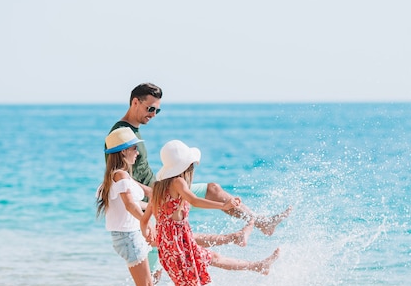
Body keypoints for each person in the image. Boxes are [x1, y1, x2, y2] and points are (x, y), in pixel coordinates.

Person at [97, 128, 255, 286]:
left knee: (191, 263)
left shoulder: (128, 179)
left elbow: (147, 203)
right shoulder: (123, 176)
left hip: (145, 239)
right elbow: (132, 205)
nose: (137, 152)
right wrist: (223, 204)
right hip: (133, 239)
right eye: (133, 148)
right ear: (122, 152)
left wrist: (147, 224)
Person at [140, 140, 280, 286]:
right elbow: (194, 200)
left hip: (170, 248)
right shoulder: (178, 182)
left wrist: (146, 231)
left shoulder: (158, 188)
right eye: (192, 166)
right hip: (179, 248)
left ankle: (257, 266)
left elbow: (145, 217)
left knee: (211, 259)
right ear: (186, 167)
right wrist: (223, 205)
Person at [109, 82, 292, 237]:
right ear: (135, 102)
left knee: (213, 190)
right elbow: (118, 175)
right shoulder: (120, 133)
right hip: (154, 196)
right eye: (150, 109)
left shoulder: (131, 130)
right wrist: (152, 194)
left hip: (158, 188)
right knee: (158, 265)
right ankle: (260, 223)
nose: (154, 114)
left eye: (157, 110)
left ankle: (260, 222)